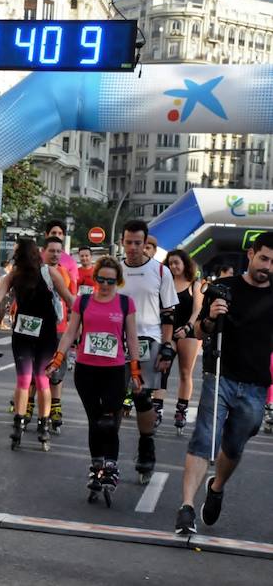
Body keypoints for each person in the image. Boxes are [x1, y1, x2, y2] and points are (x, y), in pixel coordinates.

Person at [174, 231, 273, 535]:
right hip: (219, 375)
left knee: (234, 445)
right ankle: (187, 508)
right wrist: (210, 318)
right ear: (251, 255)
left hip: (256, 385)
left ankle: (216, 488)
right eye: (264, 258)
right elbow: (199, 332)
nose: (267, 267)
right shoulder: (224, 288)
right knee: (205, 438)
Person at [46, 257, 141, 504]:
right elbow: (70, 332)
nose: (106, 285)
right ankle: (96, 465)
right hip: (86, 370)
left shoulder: (125, 303)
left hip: (114, 371)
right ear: (95, 279)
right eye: (101, 279)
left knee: (109, 421)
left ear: (118, 281)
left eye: (111, 281)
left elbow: (132, 338)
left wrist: (135, 370)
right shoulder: (83, 301)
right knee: (95, 421)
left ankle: (110, 466)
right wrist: (58, 359)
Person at [0, 238, 74, 451]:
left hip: (45, 335)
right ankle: (19, 422)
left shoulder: (49, 273)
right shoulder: (15, 274)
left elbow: (69, 298)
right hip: (24, 333)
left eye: (17, 253)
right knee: (24, 379)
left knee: (40, 379)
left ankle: (43, 423)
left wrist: (88, 317)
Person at [117, 220, 178, 483]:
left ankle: (146, 447)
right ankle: (108, 454)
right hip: (117, 340)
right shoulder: (115, 270)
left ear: (145, 244)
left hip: (147, 339)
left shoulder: (160, 272)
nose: (132, 247)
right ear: (122, 242)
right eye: (128, 242)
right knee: (114, 398)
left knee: (141, 396)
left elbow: (168, 314)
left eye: (137, 243)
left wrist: (166, 346)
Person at [162, 249, 204, 435]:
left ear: (185, 264)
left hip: (189, 333)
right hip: (169, 332)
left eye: (176, 263)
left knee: (185, 373)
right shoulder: (165, 282)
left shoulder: (195, 284)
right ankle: (157, 409)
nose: (173, 266)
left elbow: (198, 309)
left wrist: (187, 327)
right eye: (170, 263)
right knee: (162, 368)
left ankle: (181, 411)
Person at [43, 236, 76, 432]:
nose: (55, 254)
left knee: (56, 371)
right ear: (44, 251)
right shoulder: (35, 271)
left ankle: (55, 407)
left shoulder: (65, 273)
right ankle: (29, 406)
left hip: (59, 328)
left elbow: (73, 301)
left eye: (58, 251)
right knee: (35, 371)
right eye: (52, 251)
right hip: (38, 329)